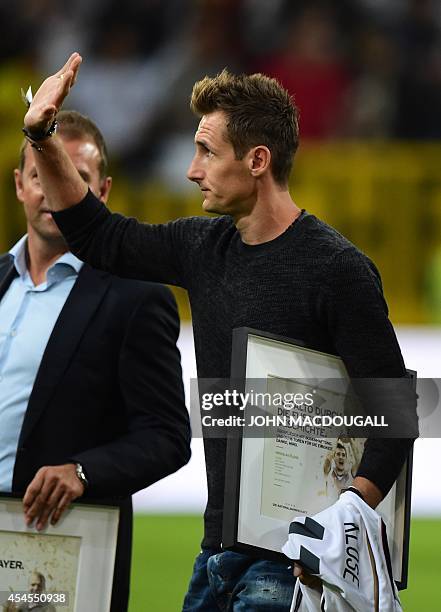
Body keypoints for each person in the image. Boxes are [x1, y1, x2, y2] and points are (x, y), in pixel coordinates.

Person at [21, 53, 415, 610]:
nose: (191, 169)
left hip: (294, 570)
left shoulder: (337, 269)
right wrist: (41, 136)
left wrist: (351, 512)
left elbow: (395, 414)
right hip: (217, 557)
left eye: (206, 151)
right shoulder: (201, 248)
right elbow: (99, 236)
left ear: (257, 160)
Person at [0, 108, 191, 612]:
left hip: (57, 542)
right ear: (21, 184)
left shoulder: (134, 298)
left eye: (74, 176)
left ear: (100, 192)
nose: (53, 188)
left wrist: (82, 471)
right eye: (41, 174)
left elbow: (168, 437)